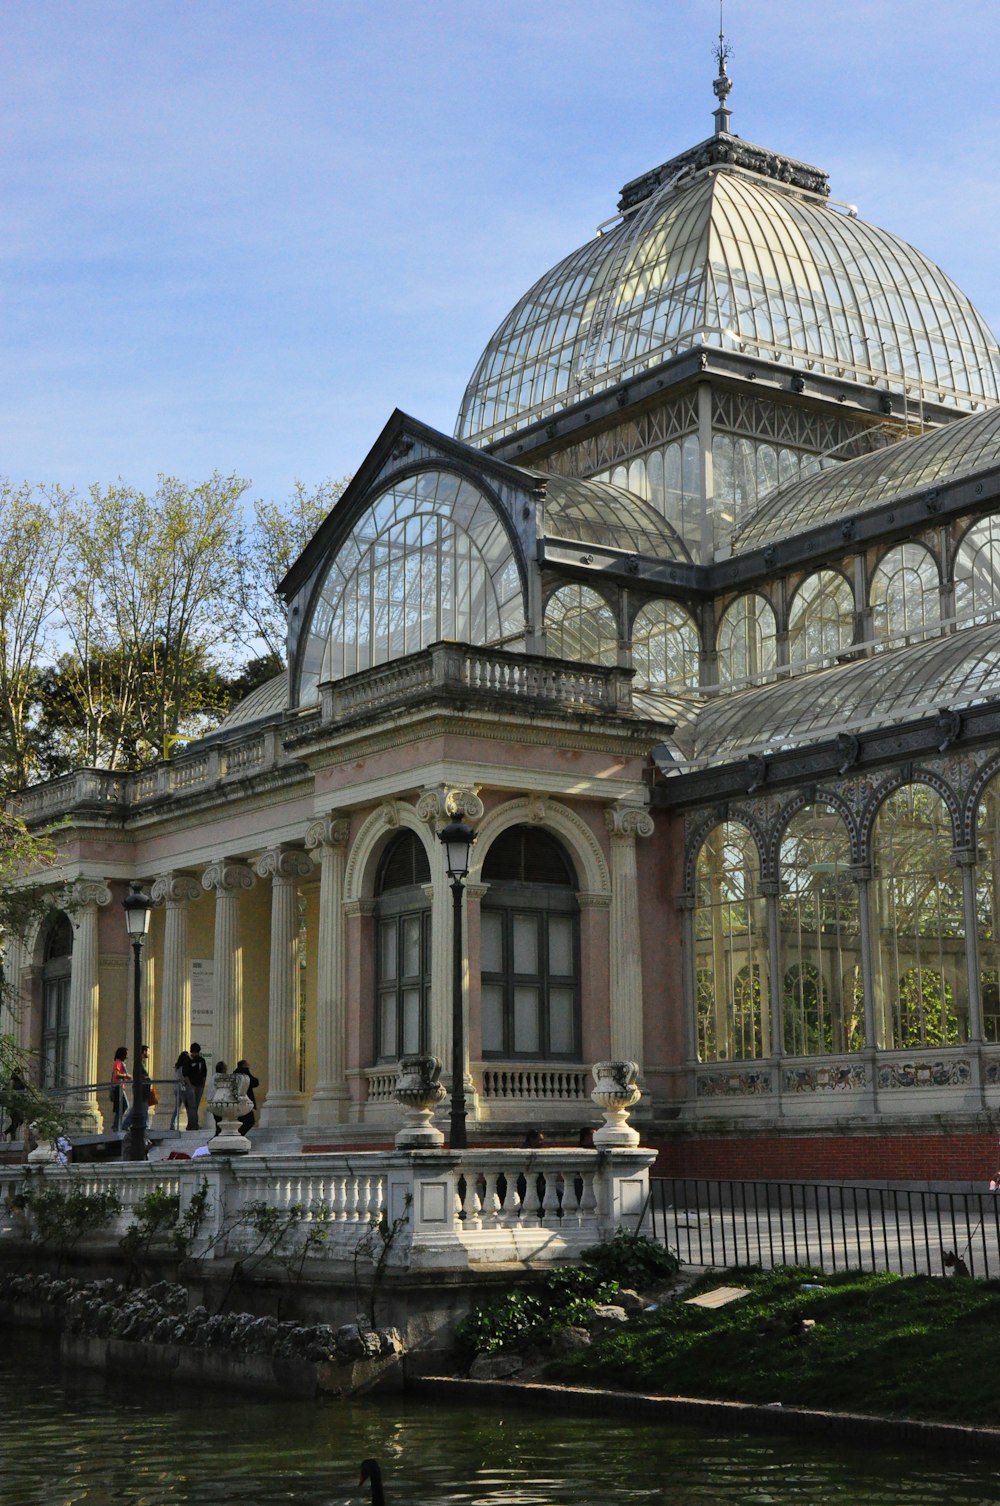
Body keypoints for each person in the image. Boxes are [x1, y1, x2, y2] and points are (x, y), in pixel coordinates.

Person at [122, 1045, 152, 1136]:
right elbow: (141, 1075)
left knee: (138, 1108)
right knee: (143, 1107)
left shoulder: (141, 1062)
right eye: (148, 1051)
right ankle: (144, 1126)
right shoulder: (139, 1063)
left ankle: (126, 1124)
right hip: (141, 1089)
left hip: (143, 1089)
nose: (149, 1053)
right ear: (144, 1052)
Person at [172, 1050, 196, 1131]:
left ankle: (172, 1124)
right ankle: (190, 1124)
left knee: (177, 1107)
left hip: (177, 1088)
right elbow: (184, 1078)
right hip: (182, 1089)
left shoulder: (177, 1067)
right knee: (188, 1107)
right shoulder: (183, 1067)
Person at [186, 1043, 208, 1130]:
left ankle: (191, 1124)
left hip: (199, 1085)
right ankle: (194, 1124)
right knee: (192, 1106)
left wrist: (203, 1084)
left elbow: (204, 1073)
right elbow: (186, 1074)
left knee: (195, 1106)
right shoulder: (188, 1060)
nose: (195, 1054)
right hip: (191, 1085)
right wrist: (190, 1085)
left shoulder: (201, 1060)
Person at [235, 1059, 259, 1136]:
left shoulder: (235, 1073)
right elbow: (254, 1082)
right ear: (244, 1066)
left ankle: (238, 1134)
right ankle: (239, 1135)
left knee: (241, 1120)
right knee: (250, 1120)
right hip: (245, 1101)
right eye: (247, 1065)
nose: (248, 1066)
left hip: (236, 1101)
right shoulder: (245, 1073)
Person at [110, 1046, 130, 1131]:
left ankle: (117, 1125)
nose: (127, 1056)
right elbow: (116, 1074)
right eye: (126, 1054)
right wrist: (126, 1076)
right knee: (124, 1105)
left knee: (121, 1106)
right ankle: (116, 1125)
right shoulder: (118, 1062)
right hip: (118, 1087)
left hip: (120, 1087)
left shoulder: (121, 1062)